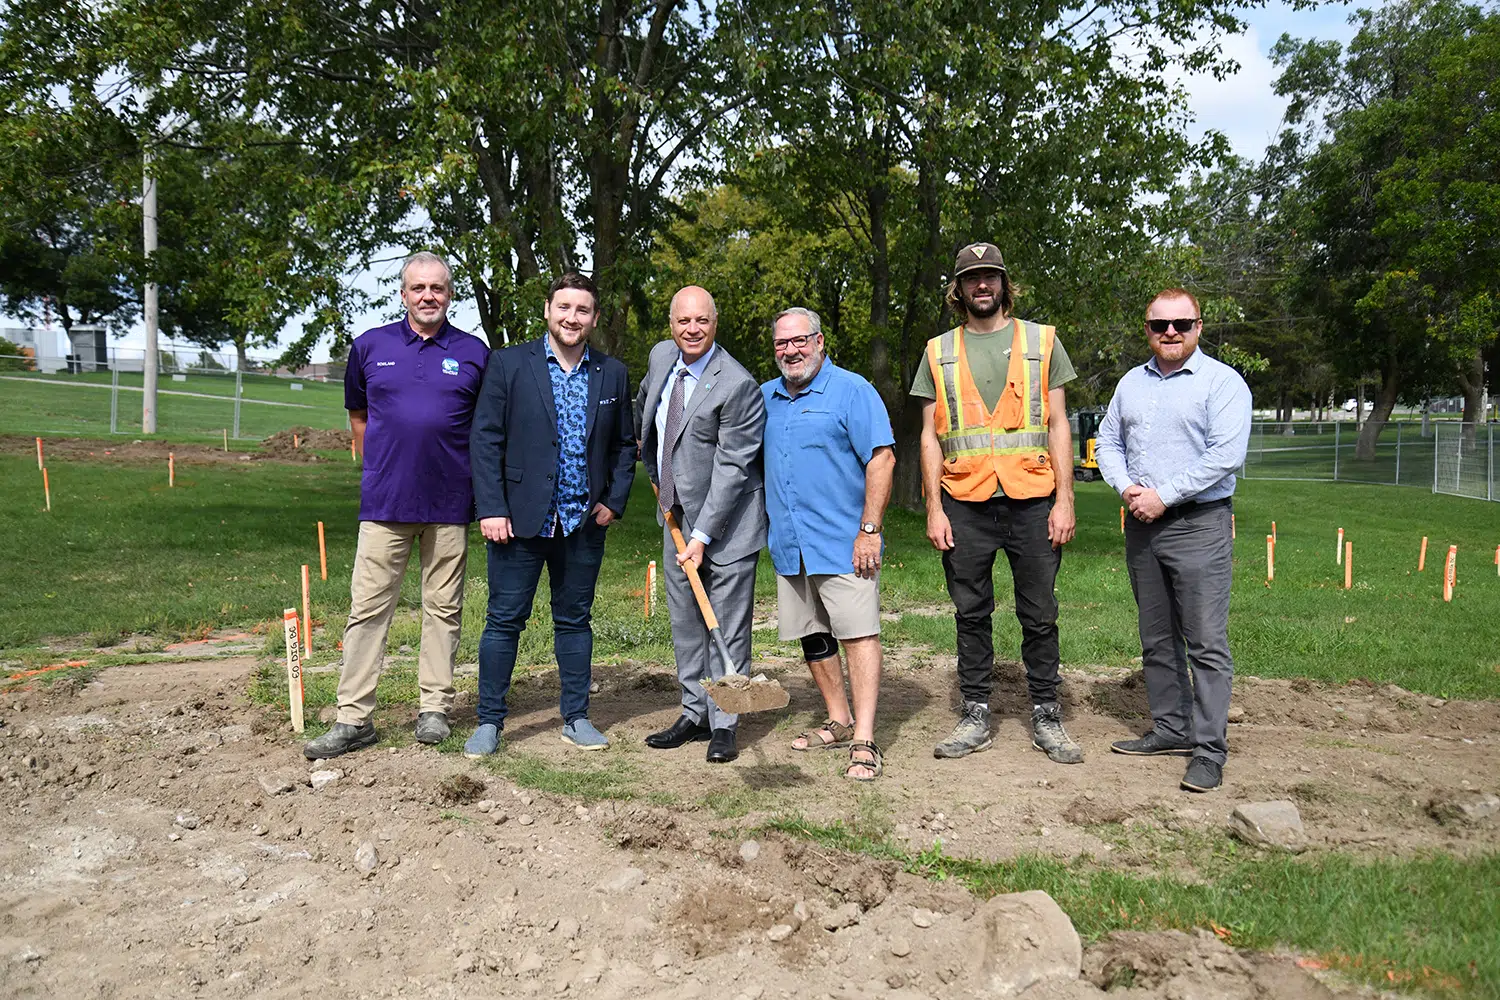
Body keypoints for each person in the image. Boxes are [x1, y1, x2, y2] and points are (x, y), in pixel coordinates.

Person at [304, 251, 490, 760]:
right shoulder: (369, 347)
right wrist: (382, 467)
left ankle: (434, 708)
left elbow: (484, 428)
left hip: (450, 502)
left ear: (450, 295)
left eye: (438, 288)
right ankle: (353, 718)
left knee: (443, 609)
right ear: (403, 293)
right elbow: (359, 418)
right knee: (367, 610)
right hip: (385, 503)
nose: (428, 296)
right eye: (418, 288)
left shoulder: (474, 351)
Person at [911, 241, 1083, 764]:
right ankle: (976, 712)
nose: (981, 286)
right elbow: (927, 437)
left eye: (990, 277)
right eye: (971, 278)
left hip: (1033, 496)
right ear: (958, 289)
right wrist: (935, 508)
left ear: (1005, 284)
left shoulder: (1042, 341)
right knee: (970, 612)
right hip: (964, 500)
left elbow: (1058, 425)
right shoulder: (937, 351)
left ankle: (1047, 714)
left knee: (1040, 612)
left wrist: (1066, 499)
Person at [462, 272, 636, 756]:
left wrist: (613, 502)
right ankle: (490, 722)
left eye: (582, 310)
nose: (572, 318)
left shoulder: (612, 373)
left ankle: (576, 717)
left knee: (575, 622)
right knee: (503, 621)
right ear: (547, 310)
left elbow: (626, 445)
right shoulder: (509, 364)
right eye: (564, 308)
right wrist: (491, 507)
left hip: (583, 522)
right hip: (517, 521)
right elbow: (486, 439)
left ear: (594, 318)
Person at [1095, 288, 1252, 792]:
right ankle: (1171, 729)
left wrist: (1163, 494)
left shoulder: (1222, 383)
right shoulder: (1130, 384)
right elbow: (1107, 441)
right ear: (1146, 328)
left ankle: (1209, 750)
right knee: (1157, 638)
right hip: (1143, 525)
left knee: (1205, 642)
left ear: (1199, 327)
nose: (1170, 332)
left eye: (1182, 324)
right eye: (1159, 324)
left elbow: (1225, 455)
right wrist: (1126, 488)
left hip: (1198, 524)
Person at [762, 308, 895, 780]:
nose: (791, 350)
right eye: (782, 344)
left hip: (844, 543)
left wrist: (869, 530)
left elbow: (881, 459)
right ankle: (837, 718)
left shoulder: (853, 390)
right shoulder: (766, 398)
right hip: (790, 545)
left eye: (800, 341)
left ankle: (864, 738)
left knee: (857, 633)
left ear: (820, 342)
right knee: (813, 635)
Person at [636, 286, 767, 764]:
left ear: (716, 323)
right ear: (671, 324)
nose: (692, 330)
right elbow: (647, 403)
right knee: (686, 623)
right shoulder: (661, 357)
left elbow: (734, 467)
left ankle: (726, 722)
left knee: (726, 627)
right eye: (683, 321)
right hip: (673, 514)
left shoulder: (737, 384)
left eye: (702, 322)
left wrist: (702, 535)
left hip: (727, 523)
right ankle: (694, 713)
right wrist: (646, 452)